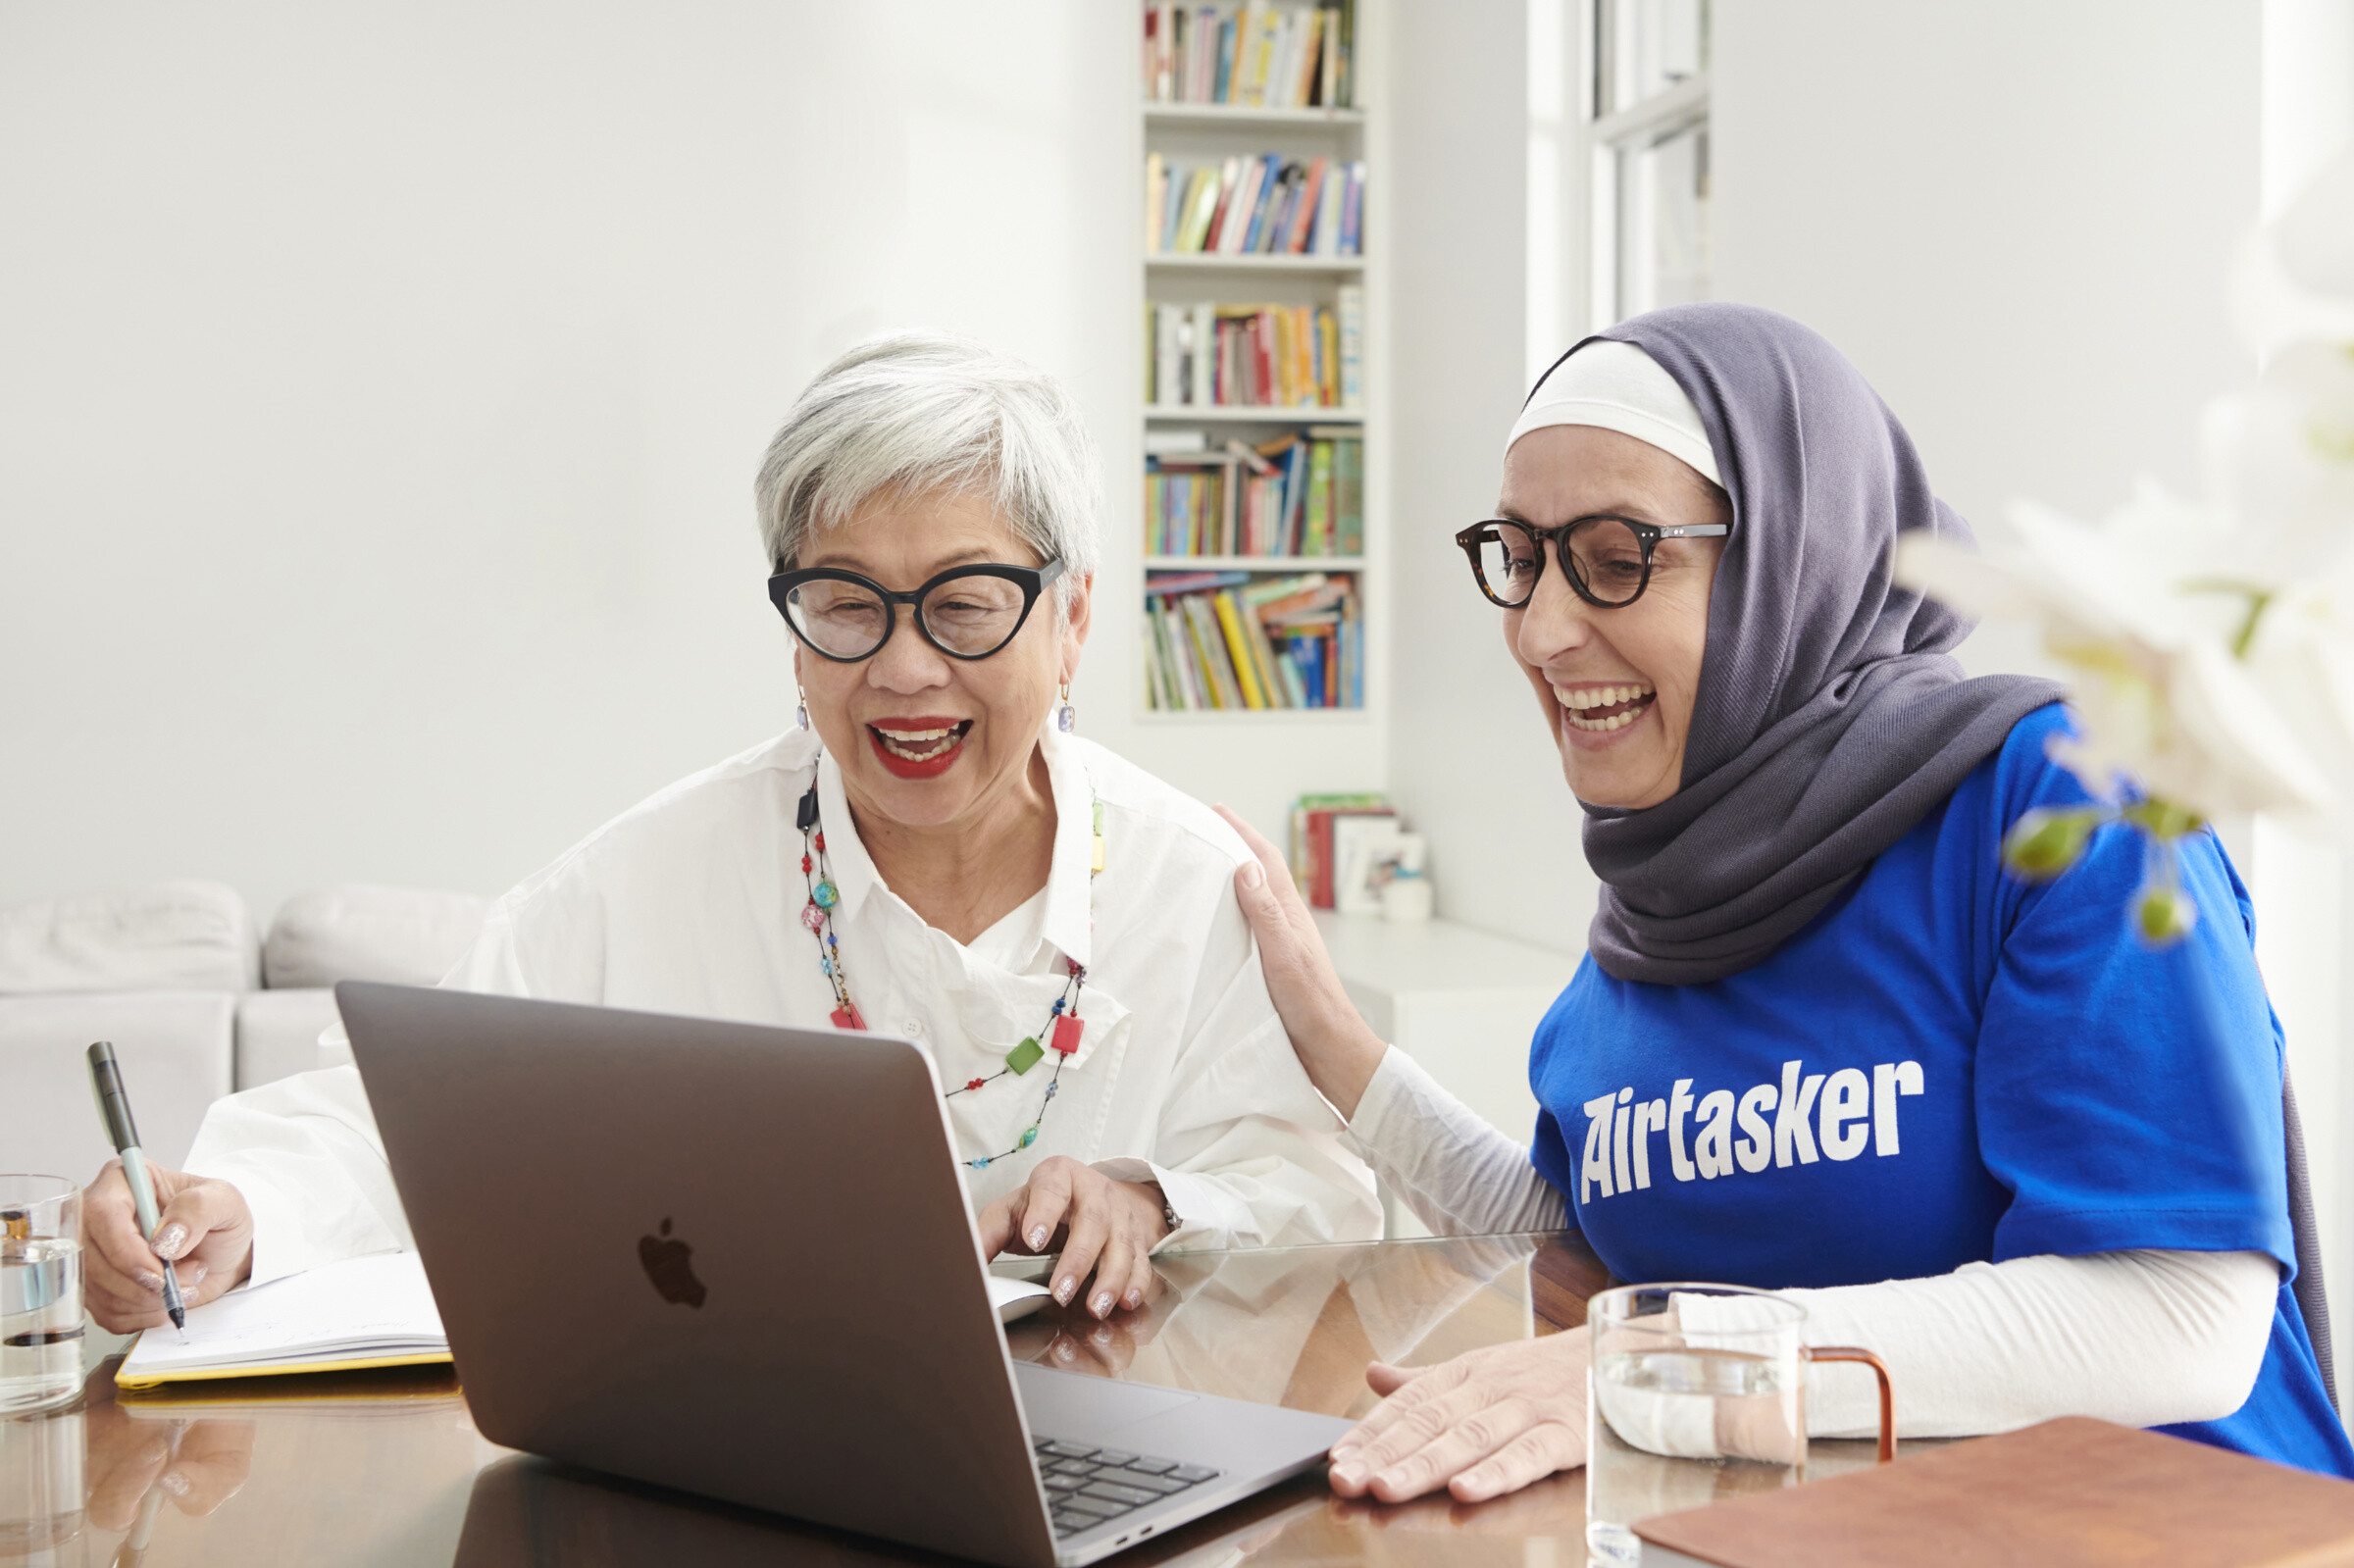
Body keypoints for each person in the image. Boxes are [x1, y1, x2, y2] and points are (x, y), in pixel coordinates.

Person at [1221, 302, 2354, 1502]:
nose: (1541, 631)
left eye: (1616, 557)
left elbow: (2181, 1315)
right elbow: (1599, 1228)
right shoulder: (1653, 918)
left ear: (1791, 555)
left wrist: (1645, 1365)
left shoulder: (2063, 802)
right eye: (1519, 555)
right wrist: (1340, 1052)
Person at [81, 332, 1377, 1335]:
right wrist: (225, 1216)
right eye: (844, 602)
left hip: (1128, 1466)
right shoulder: (658, 874)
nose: (906, 666)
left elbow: (1321, 1201)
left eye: (966, 605)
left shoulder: (1193, 885)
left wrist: (1158, 1199)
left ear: (1073, 616)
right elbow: (414, 1117)